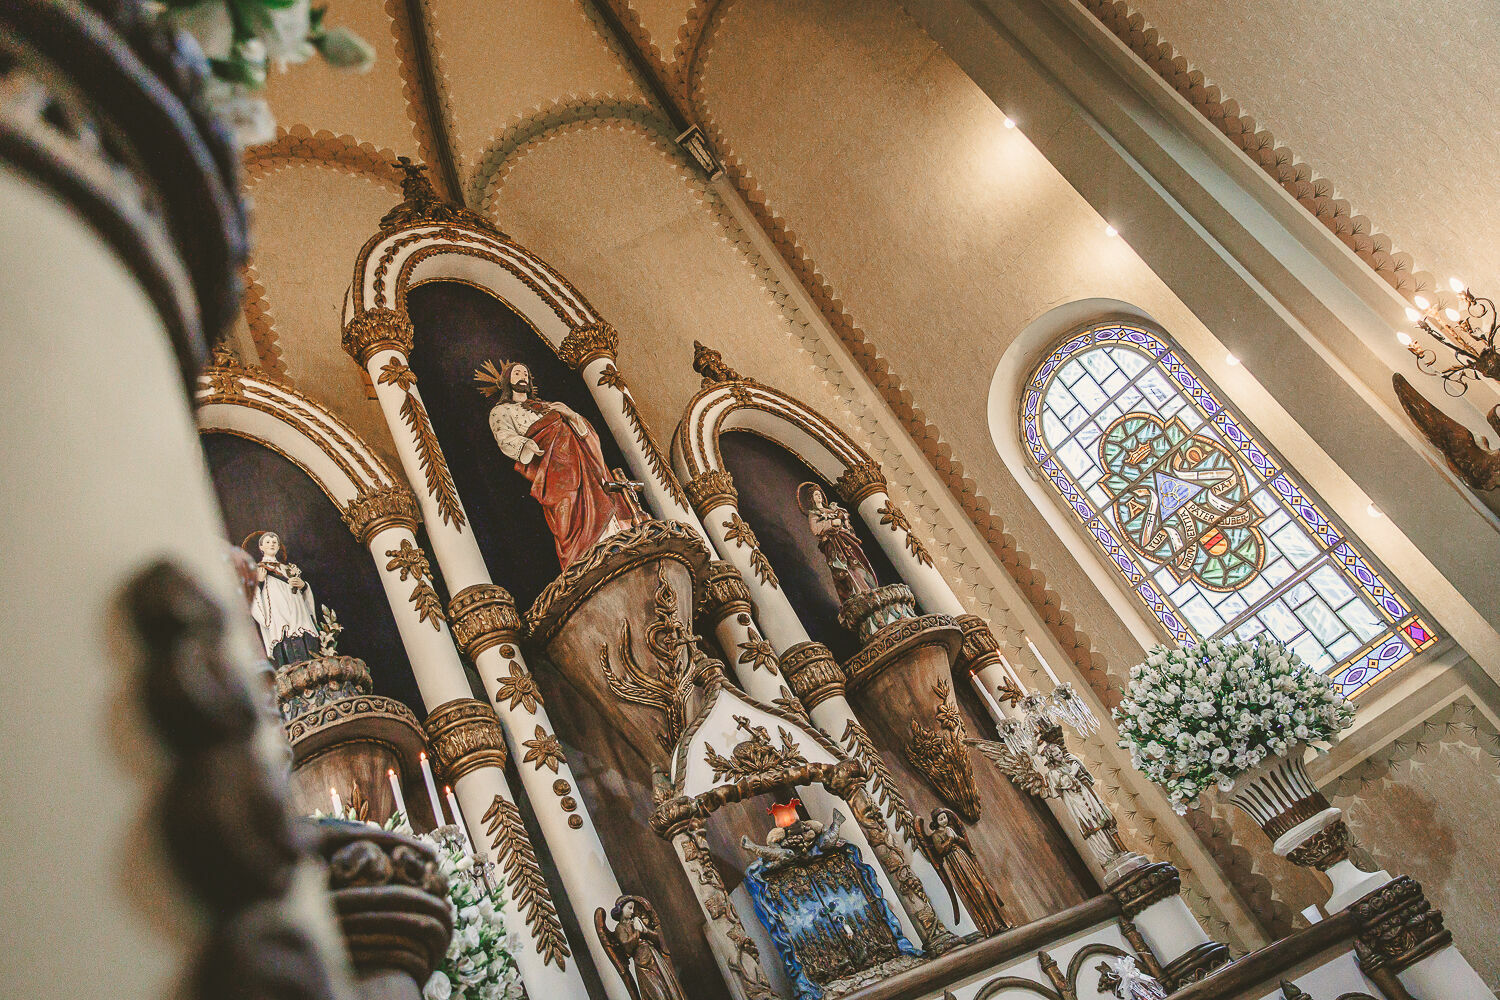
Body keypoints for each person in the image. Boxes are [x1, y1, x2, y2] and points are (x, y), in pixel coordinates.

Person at [477, 359, 639, 570]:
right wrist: (527, 444)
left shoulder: (547, 406)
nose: (523, 377)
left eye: (525, 373)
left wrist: (570, 415)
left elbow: (585, 434)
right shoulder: (501, 411)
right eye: (517, 373)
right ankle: (585, 561)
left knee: (599, 497)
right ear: (507, 380)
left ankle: (614, 540)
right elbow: (504, 436)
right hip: (551, 470)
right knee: (567, 509)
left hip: (581, 461)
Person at [917, 808, 1010, 935]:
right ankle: (990, 926)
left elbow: (964, 844)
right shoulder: (935, 836)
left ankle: (1001, 921)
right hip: (955, 861)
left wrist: (956, 837)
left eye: (945, 818)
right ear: (936, 822)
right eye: (940, 819)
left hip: (963, 858)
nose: (944, 821)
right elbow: (940, 851)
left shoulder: (950, 829)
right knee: (975, 890)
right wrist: (950, 839)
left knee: (983, 886)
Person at [242, 530, 319, 666]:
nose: (271, 544)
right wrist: (259, 582)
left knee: (305, 638)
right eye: (267, 542)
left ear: (278, 547)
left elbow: (303, 592)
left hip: (297, 609)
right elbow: (251, 595)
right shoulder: (258, 569)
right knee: (286, 641)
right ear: (261, 547)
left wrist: (303, 586)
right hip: (278, 612)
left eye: (274, 542)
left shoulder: (289, 569)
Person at [798, 482, 878, 602]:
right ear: (812, 499)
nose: (818, 497)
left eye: (819, 494)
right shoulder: (813, 514)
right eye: (815, 495)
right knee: (842, 569)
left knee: (855, 564)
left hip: (844, 540)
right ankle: (855, 593)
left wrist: (841, 521)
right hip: (831, 544)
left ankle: (866, 589)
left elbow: (845, 523)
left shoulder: (833, 509)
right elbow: (816, 529)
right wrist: (832, 523)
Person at [595, 896, 688, 1000]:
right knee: (657, 993)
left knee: (669, 988)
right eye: (629, 908)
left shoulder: (636, 921)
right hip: (643, 964)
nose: (632, 911)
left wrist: (645, 931)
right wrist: (637, 932)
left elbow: (657, 939)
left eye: (633, 908)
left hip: (655, 958)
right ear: (620, 909)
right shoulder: (620, 928)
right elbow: (627, 947)